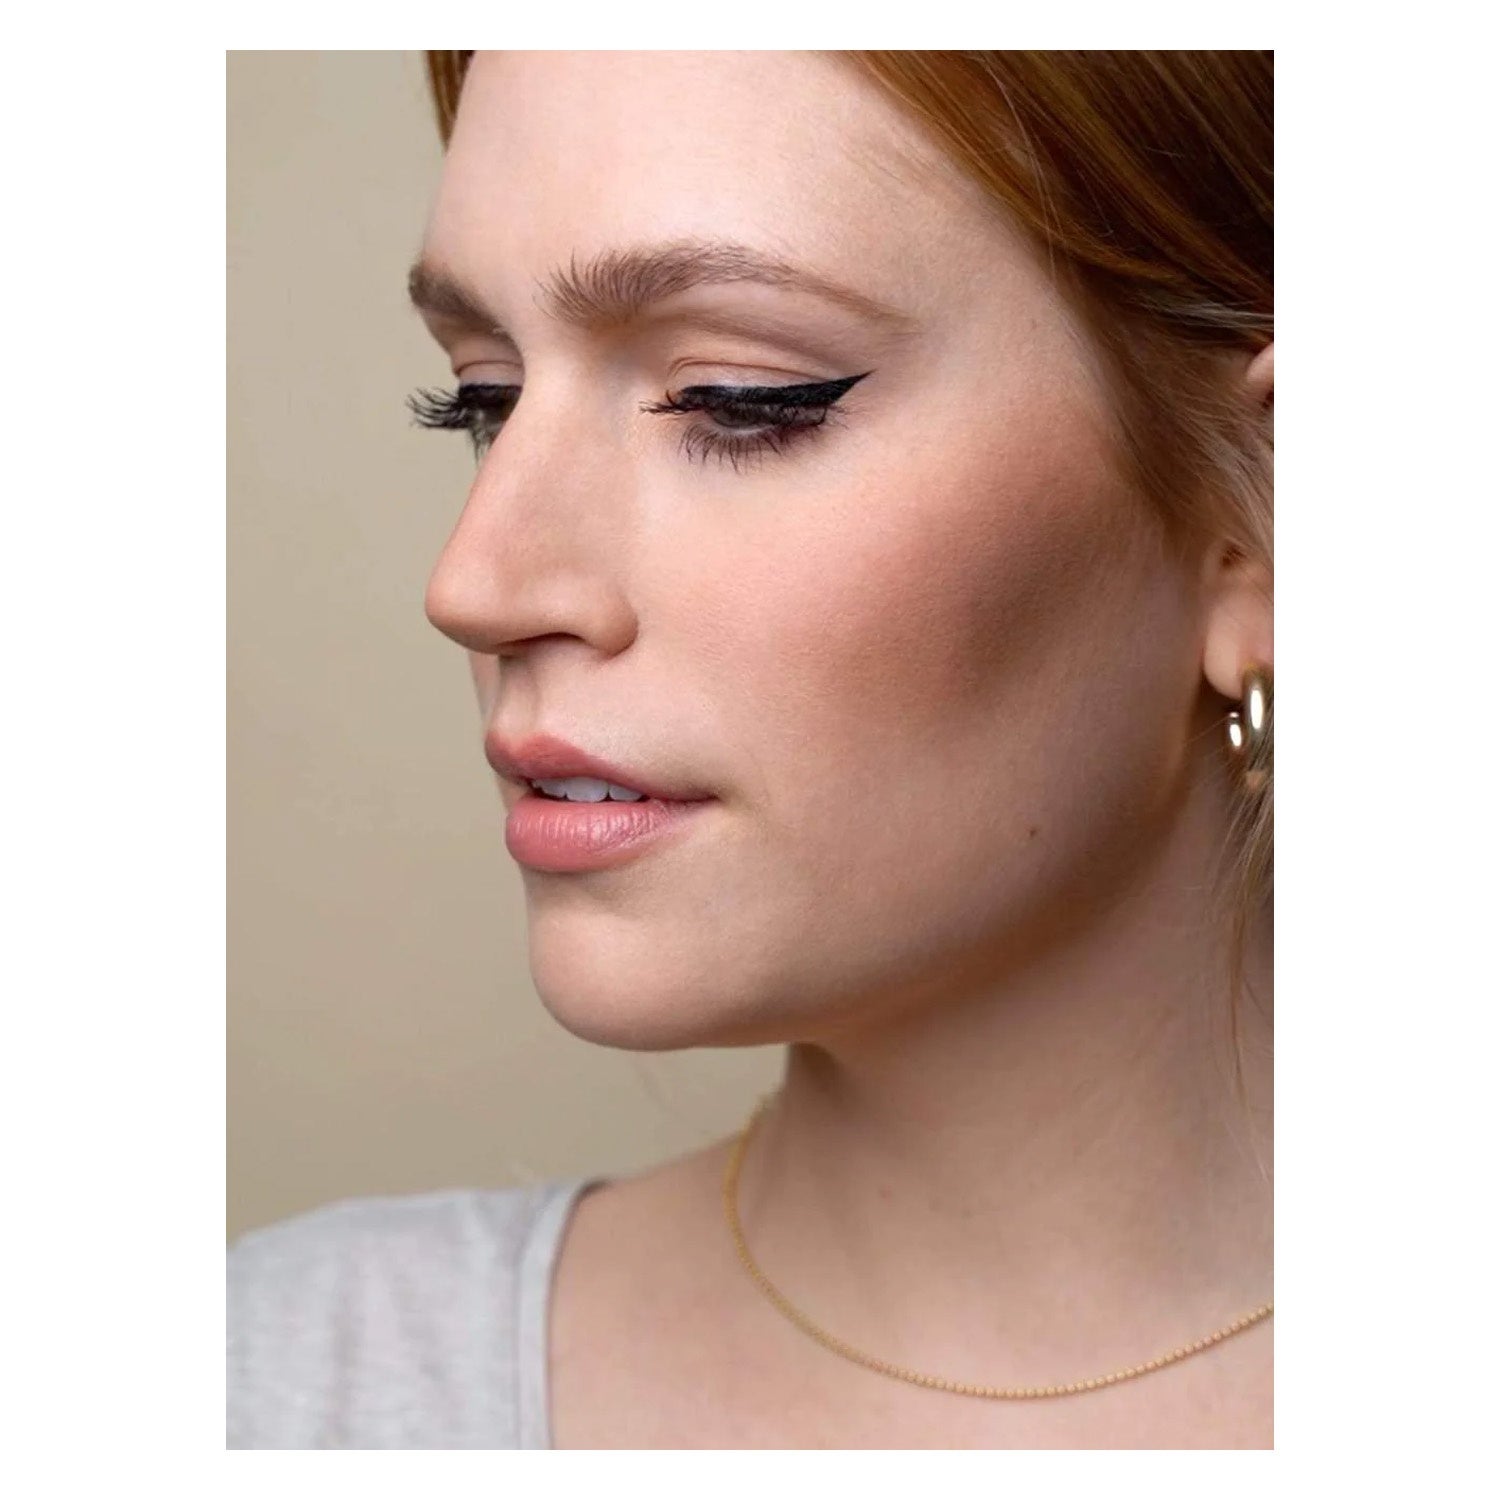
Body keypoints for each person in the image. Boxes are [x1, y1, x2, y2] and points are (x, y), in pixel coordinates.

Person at [228, 49, 1273, 1450]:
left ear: (1265, 524)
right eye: (484, 398)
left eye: (735, 398)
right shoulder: (263, 1396)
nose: (474, 585)